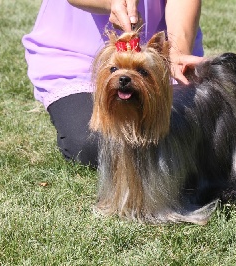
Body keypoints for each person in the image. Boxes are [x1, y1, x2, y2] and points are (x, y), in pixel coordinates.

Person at [22, 0, 204, 167]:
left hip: (160, 53)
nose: (124, 77)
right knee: (94, 145)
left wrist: (177, 50)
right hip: (74, 53)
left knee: (189, 136)